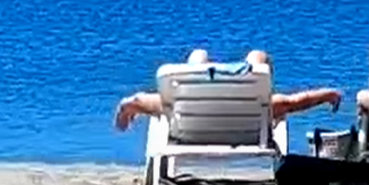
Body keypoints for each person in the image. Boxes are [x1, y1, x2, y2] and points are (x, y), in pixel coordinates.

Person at [111, 48, 344, 132]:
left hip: (192, 124)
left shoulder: (178, 106)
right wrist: (328, 95)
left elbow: (136, 100)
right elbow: (297, 101)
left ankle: (201, 76)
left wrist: (129, 108)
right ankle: (254, 70)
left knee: (199, 55)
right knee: (257, 56)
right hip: (246, 126)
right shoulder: (265, 107)